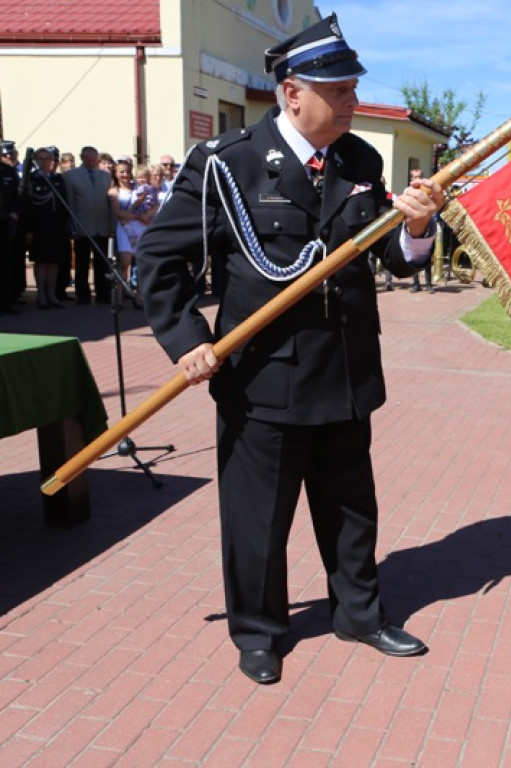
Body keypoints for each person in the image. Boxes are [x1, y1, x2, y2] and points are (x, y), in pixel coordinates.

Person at [137, 13, 443, 685]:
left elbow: (390, 258)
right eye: (337, 91)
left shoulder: (360, 160)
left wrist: (417, 227)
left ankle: (359, 614)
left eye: (353, 90)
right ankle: (259, 632)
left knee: (352, 510)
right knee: (258, 521)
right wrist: (188, 340)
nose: (351, 104)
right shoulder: (227, 164)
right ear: (291, 92)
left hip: (345, 371)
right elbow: (157, 263)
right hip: (263, 381)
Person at [20, 147, 71, 309]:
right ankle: (41, 295)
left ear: (52, 162)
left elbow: (64, 204)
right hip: (38, 226)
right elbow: (27, 206)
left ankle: (52, 294)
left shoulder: (57, 179)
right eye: (40, 159)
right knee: (42, 262)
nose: (43, 162)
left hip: (56, 226)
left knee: (54, 261)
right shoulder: (32, 179)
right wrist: (28, 229)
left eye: (46, 159)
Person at [63, 146, 114, 304]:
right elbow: (70, 202)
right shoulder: (70, 176)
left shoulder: (106, 176)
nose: (92, 162)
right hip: (82, 226)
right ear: (82, 158)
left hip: (102, 226)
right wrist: (72, 225)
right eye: (89, 159)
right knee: (82, 263)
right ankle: (83, 295)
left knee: (102, 263)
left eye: (94, 160)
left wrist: (112, 225)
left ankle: (102, 294)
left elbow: (110, 202)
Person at [110, 161, 155, 306]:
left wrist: (147, 216)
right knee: (124, 262)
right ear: (116, 173)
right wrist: (137, 216)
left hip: (141, 226)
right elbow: (118, 212)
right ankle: (119, 296)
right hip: (124, 227)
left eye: (127, 171)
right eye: (121, 172)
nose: (125, 175)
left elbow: (154, 203)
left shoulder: (139, 187)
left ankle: (139, 297)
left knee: (141, 262)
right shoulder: (113, 191)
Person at [0, 140, 22, 313]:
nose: (8, 156)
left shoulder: (9, 171)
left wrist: (14, 212)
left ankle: (6, 302)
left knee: (6, 264)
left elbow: (17, 196)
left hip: (6, 223)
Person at [408, 169, 435, 293]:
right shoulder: (408, 192)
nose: (417, 179)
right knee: (414, 257)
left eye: (419, 177)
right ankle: (415, 283)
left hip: (427, 226)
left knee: (427, 256)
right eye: (414, 177)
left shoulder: (428, 192)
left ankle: (429, 284)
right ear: (411, 179)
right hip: (413, 227)